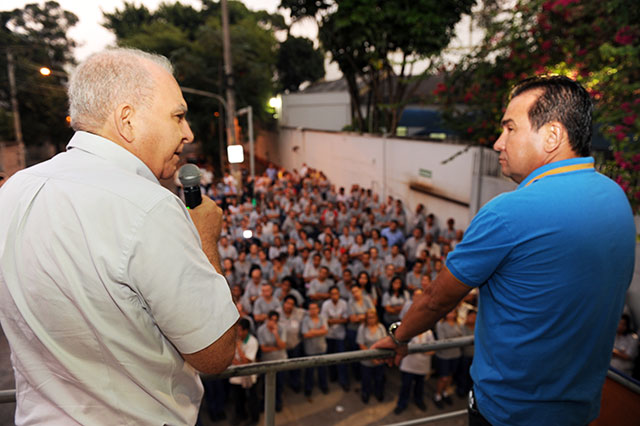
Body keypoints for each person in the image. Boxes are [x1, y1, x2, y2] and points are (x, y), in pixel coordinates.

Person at [372, 76, 636, 426]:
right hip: (579, 411)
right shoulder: (616, 197)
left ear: (552, 136)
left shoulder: (508, 212)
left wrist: (399, 336)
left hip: (509, 414)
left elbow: (436, 299)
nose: (498, 143)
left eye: (510, 128)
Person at [0, 48, 239, 425]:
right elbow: (215, 353)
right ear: (127, 120)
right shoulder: (149, 207)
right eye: (178, 116)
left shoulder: (14, 191)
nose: (188, 133)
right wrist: (205, 239)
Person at [229, 318, 260, 423]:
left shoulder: (252, 341)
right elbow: (230, 358)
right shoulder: (233, 339)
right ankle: (241, 416)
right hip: (236, 375)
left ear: (246, 330)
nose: (238, 333)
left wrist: (238, 347)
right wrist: (239, 362)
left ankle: (254, 419)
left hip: (249, 375)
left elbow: (247, 361)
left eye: (240, 330)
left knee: (252, 399)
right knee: (238, 398)